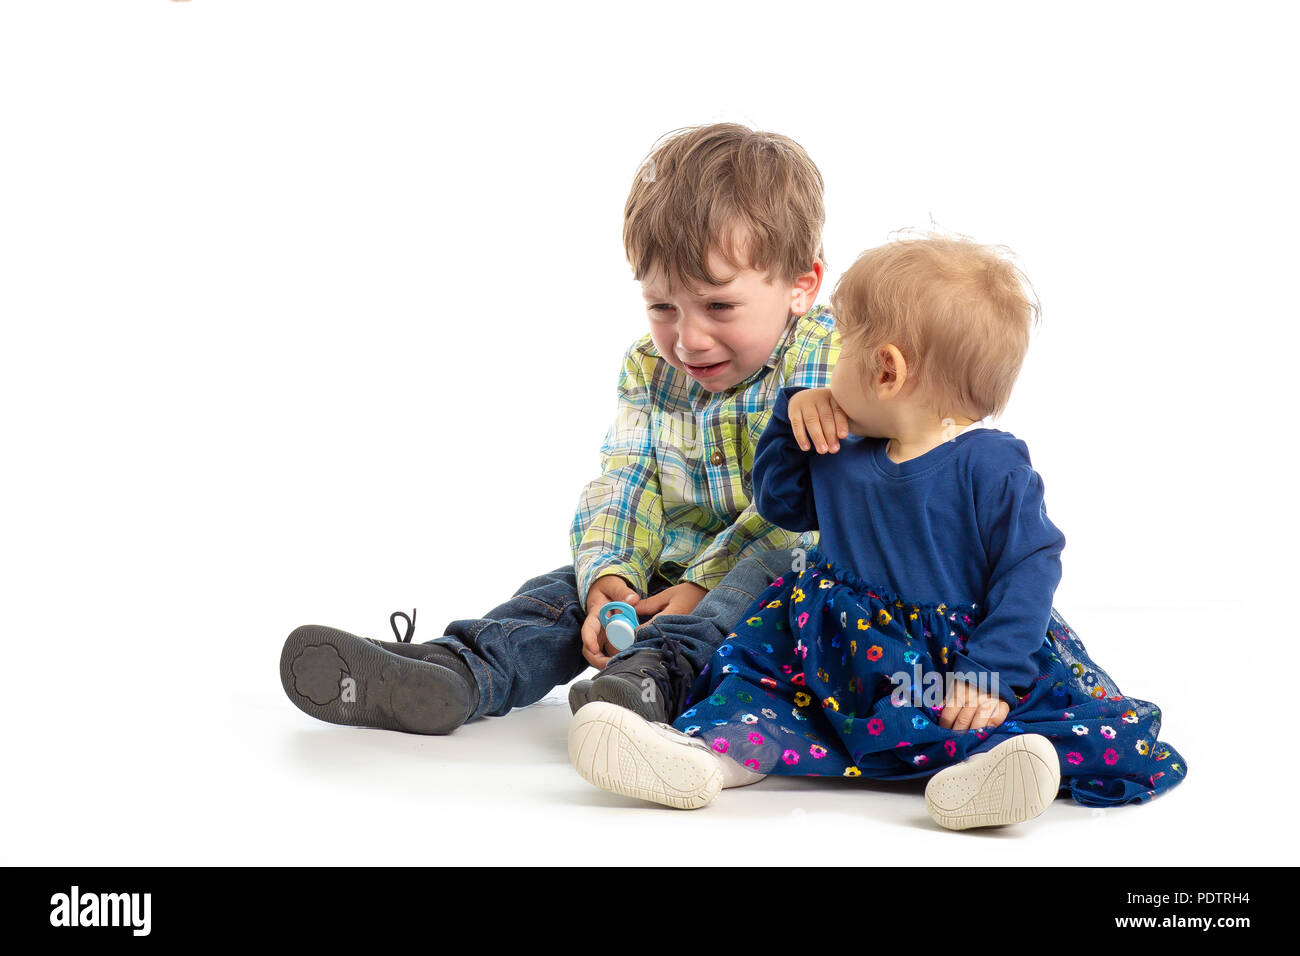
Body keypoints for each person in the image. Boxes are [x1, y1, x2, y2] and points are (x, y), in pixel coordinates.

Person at [569, 235, 1187, 828]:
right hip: (834, 655)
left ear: (885, 370)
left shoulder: (991, 465)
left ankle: (986, 773)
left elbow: (1031, 568)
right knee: (759, 692)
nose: (828, 368)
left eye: (841, 352)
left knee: (995, 716)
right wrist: (789, 419)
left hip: (949, 661)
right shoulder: (843, 450)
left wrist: (989, 671)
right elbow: (780, 504)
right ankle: (703, 760)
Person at [279, 123, 839, 734]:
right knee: (556, 597)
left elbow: (795, 512)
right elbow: (628, 476)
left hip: (764, 570)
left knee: (742, 609)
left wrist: (702, 587)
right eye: (662, 307)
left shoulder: (825, 362)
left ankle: (651, 682)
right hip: (667, 564)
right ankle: (460, 671)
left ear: (800, 286)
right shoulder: (650, 368)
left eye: (719, 306)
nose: (688, 339)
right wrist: (611, 575)